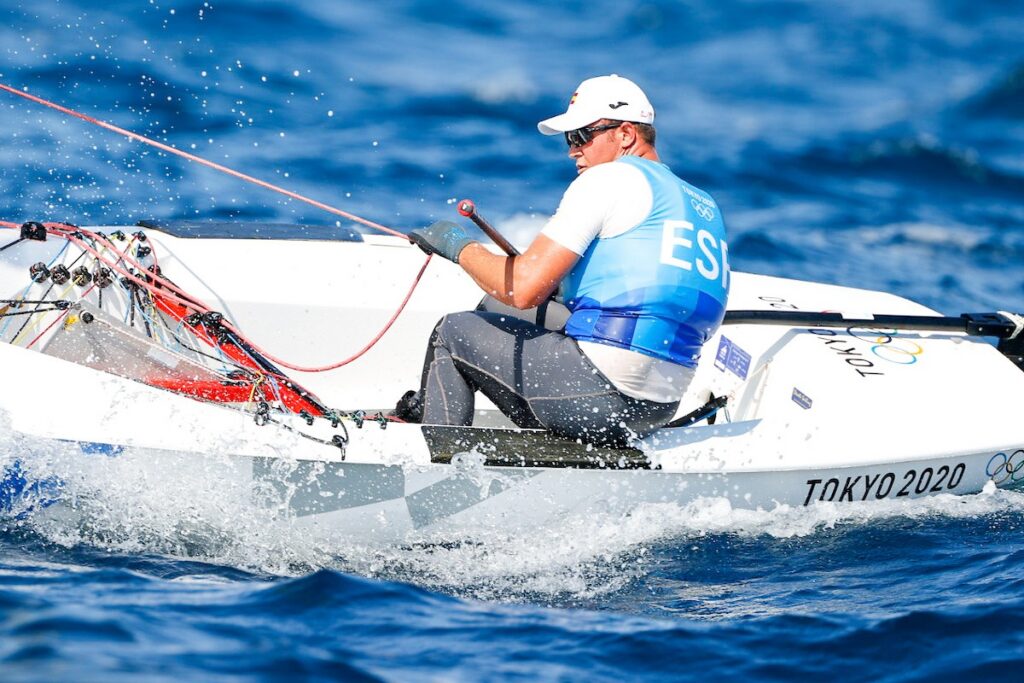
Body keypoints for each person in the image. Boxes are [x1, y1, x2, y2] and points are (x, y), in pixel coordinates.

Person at [405, 74, 729, 447]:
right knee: (495, 307)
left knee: (454, 332)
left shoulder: (607, 179)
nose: (573, 150)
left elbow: (523, 288)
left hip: (600, 398)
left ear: (625, 135)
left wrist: (459, 247)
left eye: (582, 136)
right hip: (658, 407)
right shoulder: (702, 203)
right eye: (569, 138)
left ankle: (441, 468)